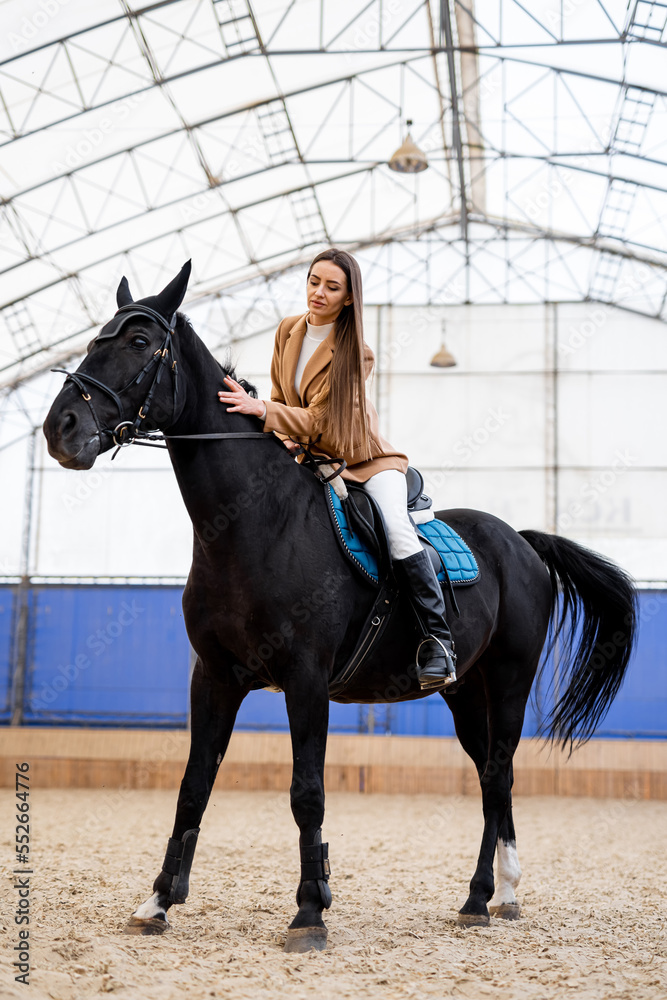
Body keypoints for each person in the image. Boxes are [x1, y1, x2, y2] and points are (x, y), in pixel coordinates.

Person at [217, 248, 456, 690]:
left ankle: (436, 641)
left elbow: (324, 422)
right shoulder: (288, 330)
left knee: (397, 529)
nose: (318, 294)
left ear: (349, 298)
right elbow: (282, 397)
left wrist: (263, 410)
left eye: (332, 287)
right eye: (313, 282)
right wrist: (277, 428)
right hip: (312, 457)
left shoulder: (355, 352)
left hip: (365, 460)